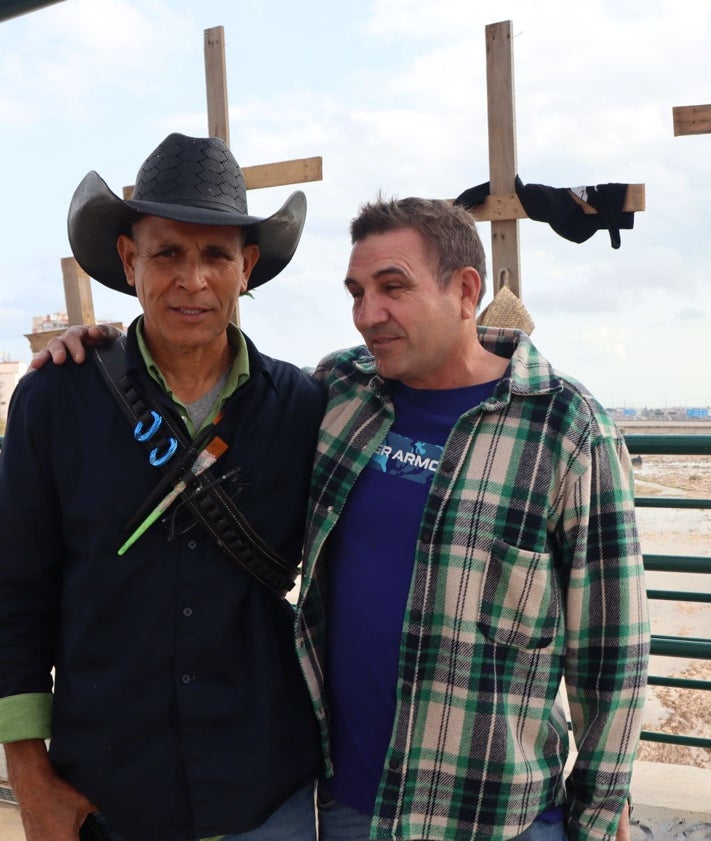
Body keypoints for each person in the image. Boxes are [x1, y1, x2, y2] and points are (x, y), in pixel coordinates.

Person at [32, 197, 648, 841]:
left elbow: (612, 648)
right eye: (356, 292)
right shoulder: (343, 391)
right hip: (347, 803)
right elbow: (222, 383)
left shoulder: (567, 428)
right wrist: (106, 352)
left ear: (466, 291)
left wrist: (601, 814)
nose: (367, 315)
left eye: (393, 288)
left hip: (489, 812)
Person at [0, 133, 326, 841]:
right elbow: (15, 593)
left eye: (215, 255)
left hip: (265, 794)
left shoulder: (304, 408)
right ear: (128, 261)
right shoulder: (56, 400)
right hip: (102, 798)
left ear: (247, 267)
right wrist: (31, 783)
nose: (193, 278)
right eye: (168, 252)